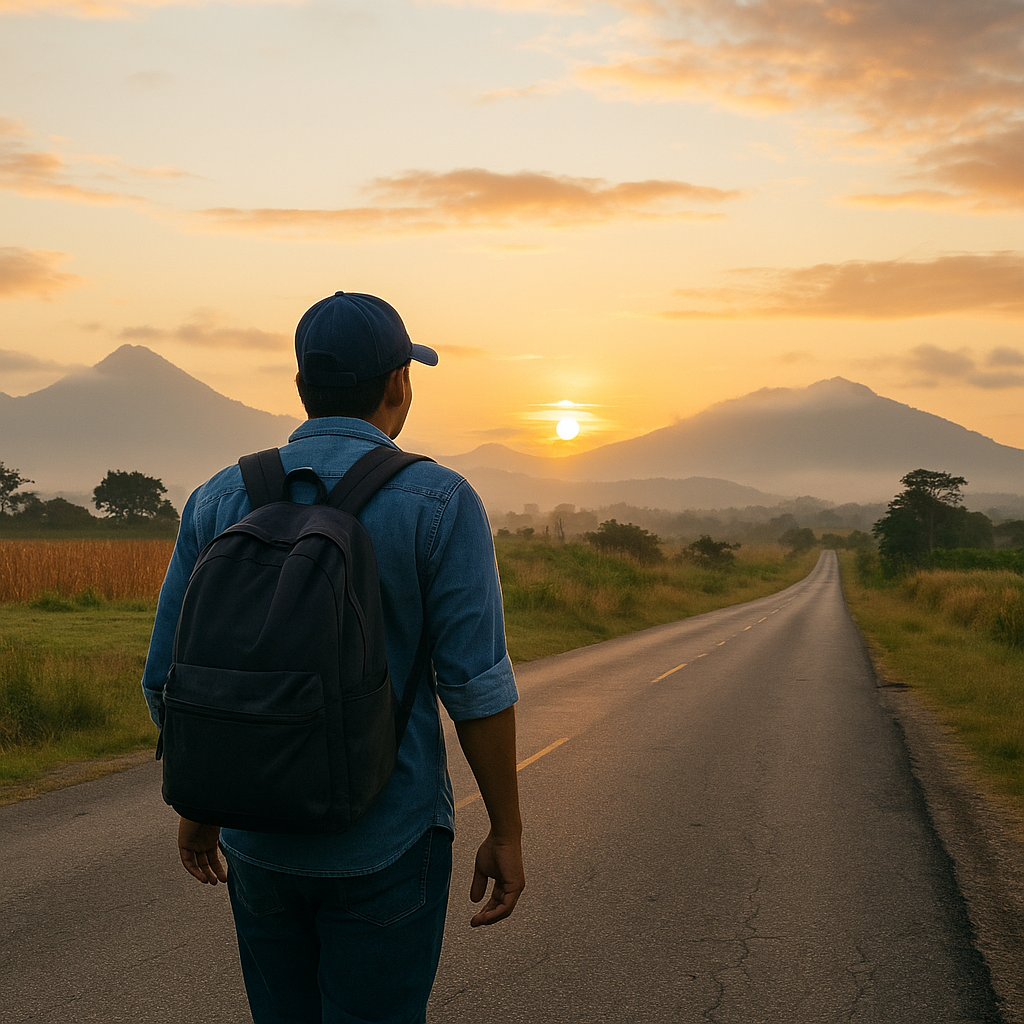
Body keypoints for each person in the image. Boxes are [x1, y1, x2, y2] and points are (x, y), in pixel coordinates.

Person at [141, 290, 525, 1023]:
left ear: (301, 388)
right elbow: (475, 689)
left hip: (259, 844)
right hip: (389, 839)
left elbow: (167, 680)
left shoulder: (221, 498)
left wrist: (206, 804)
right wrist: (505, 832)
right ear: (398, 383)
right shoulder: (440, 502)